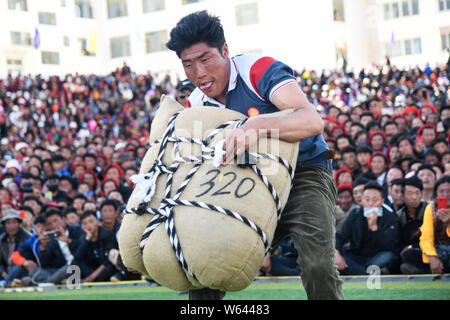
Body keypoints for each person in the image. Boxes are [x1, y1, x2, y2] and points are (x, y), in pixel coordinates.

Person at [166, 11, 343, 300]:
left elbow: (312, 122)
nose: (198, 73)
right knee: (204, 261)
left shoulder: (258, 69)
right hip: (246, 181)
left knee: (317, 265)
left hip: (303, 173)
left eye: (205, 59)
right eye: (188, 64)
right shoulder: (194, 104)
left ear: (225, 50)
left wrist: (258, 125)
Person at [335, 181, 401, 275]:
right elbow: (340, 236)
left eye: (374, 200)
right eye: (367, 199)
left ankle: (360, 272)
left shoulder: (390, 217)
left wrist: (374, 228)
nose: (370, 204)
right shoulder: (355, 214)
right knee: (336, 257)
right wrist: (336, 253)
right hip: (356, 255)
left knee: (388, 257)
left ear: (382, 201)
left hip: (378, 256)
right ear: (362, 200)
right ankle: (369, 272)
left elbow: (390, 246)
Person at [29, 208, 83, 285]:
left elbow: (84, 252)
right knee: (33, 271)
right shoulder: (51, 239)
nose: (54, 225)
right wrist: (43, 246)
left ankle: (48, 282)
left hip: (78, 267)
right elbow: (44, 265)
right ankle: (60, 281)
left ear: (63, 219)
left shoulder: (78, 231)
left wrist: (68, 241)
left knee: (69, 267)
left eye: (56, 221)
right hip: (60, 270)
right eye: (49, 223)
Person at [396, 176, 432, 274]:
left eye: (417, 193)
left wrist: (412, 246)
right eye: (410, 193)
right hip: (408, 253)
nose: (414, 197)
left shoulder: (430, 210)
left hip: (427, 250)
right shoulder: (399, 215)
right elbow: (397, 240)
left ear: (421, 194)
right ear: (402, 196)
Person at [73, 210, 118, 282]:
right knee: (75, 265)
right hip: (92, 269)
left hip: (105, 269)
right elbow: (77, 258)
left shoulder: (108, 235)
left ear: (97, 222)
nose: (88, 225)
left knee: (110, 267)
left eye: (91, 221)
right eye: (85, 223)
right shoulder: (83, 239)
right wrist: (87, 239)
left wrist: (92, 277)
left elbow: (108, 260)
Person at [418, 175, 450, 274]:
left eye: (449, 190)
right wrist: (432, 257)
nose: (446, 194)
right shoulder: (431, 208)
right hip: (438, 250)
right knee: (409, 254)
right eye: (441, 191)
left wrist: (448, 223)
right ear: (436, 193)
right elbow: (426, 238)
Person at [0, 209, 32, 286]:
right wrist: (2, 272)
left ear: (19, 224)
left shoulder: (27, 238)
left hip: (22, 272)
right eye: (8, 223)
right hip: (5, 272)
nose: (11, 226)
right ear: (4, 225)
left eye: (14, 222)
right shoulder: (1, 239)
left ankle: (6, 283)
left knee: (18, 268)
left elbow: (28, 261)